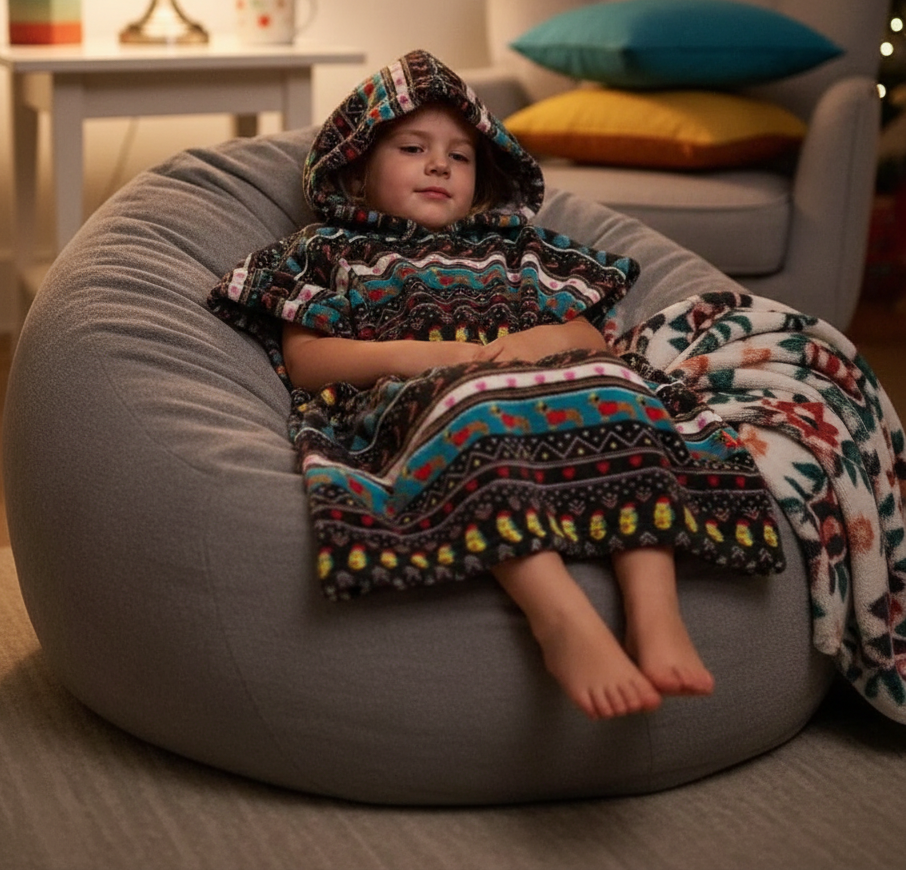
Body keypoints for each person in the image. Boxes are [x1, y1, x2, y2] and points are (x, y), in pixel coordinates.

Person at [209, 50, 785, 721]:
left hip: (548, 389)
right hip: (420, 404)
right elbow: (308, 363)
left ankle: (655, 615)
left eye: (459, 156)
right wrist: (423, 357)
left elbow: (591, 340)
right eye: (413, 147)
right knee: (473, 412)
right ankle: (560, 617)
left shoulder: (515, 253)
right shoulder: (330, 252)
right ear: (360, 166)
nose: (438, 165)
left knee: (625, 391)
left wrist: (542, 341)